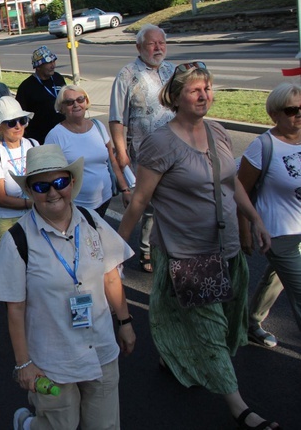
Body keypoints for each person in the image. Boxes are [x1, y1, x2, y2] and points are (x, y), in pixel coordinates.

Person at [117, 62, 280, 430]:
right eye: (195, 90)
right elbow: (140, 200)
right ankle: (239, 406)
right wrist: (117, 249)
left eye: (207, 87)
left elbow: (231, 182)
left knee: (223, 323)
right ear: (175, 98)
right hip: (188, 255)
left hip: (227, 249)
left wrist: (254, 220)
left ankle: (172, 354)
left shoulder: (218, 131)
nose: (204, 94)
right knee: (209, 330)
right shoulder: (159, 143)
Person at [0, 144, 135, 430]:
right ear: (31, 192)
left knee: (104, 426)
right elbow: (15, 309)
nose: (53, 192)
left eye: (60, 182)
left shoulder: (93, 222)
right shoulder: (17, 240)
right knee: (60, 425)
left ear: (71, 183)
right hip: (53, 359)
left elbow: (110, 277)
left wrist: (126, 322)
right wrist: (23, 364)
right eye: (42, 186)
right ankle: (29, 424)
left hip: (100, 348)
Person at [109, 24, 175, 273]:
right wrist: (121, 152)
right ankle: (123, 256)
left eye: (162, 43)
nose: (158, 48)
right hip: (142, 155)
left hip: (172, 152)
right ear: (139, 47)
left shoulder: (171, 71)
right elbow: (117, 118)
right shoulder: (127, 74)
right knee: (143, 206)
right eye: (152, 43)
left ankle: (159, 249)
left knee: (168, 204)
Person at [239, 82, 301, 347]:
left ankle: (252, 322)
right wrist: (245, 231)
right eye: (292, 110)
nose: (299, 114)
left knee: (275, 278)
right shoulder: (263, 146)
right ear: (274, 113)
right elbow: (239, 191)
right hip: (278, 232)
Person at [45, 85, 132, 217]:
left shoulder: (98, 126)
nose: (76, 105)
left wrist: (125, 190)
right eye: (69, 102)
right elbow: (50, 174)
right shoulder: (55, 135)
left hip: (105, 199)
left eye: (80, 99)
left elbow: (112, 161)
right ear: (61, 108)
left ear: (86, 102)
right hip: (76, 205)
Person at [0, 97, 38, 243]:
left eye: (22, 120)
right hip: (10, 221)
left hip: (37, 216)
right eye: (12, 122)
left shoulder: (33, 144)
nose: (18, 126)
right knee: (15, 265)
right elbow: (1, 199)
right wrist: (33, 203)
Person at [16, 46, 67, 143]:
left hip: (63, 132)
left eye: (53, 61)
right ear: (38, 67)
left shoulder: (58, 78)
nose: (53, 65)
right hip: (40, 138)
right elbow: (20, 115)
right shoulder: (26, 87)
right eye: (48, 63)